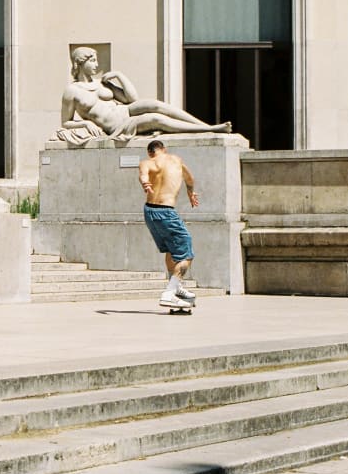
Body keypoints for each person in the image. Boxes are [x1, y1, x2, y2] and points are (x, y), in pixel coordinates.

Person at [60, 46, 231, 141]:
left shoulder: (101, 84)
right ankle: (210, 129)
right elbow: (65, 123)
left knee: (156, 105)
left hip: (125, 111)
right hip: (118, 125)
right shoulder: (72, 91)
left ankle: (206, 126)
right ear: (80, 63)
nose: (97, 65)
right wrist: (84, 124)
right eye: (92, 61)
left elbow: (132, 99)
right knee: (156, 119)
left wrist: (119, 75)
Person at [138, 139, 199, 309]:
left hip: (149, 211)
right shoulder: (175, 160)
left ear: (150, 152)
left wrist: (145, 183)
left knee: (171, 250)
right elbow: (189, 177)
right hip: (166, 212)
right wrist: (191, 192)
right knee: (187, 253)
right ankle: (169, 292)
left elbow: (143, 175)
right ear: (164, 149)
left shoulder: (146, 162)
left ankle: (176, 287)